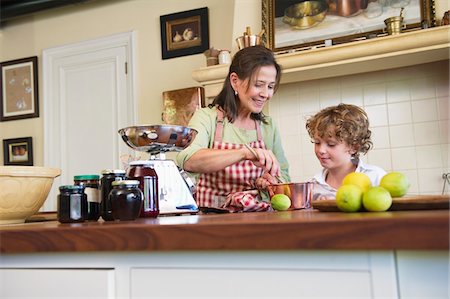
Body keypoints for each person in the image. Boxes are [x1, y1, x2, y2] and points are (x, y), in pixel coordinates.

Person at [176, 45, 290, 212]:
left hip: (259, 219)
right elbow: (188, 159)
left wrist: (270, 182)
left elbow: (284, 179)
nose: (266, 94)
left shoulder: (268, 126)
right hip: (212, 221)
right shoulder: (207, 118)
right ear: (235, 81)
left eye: (271, 86)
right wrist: (245, 153)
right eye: (259, 84)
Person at [305, 103, 386, 200]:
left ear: (354, 147)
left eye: (331, 144)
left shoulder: (375, 177)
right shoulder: (314, 186)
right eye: (317, 143)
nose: (321, 150)